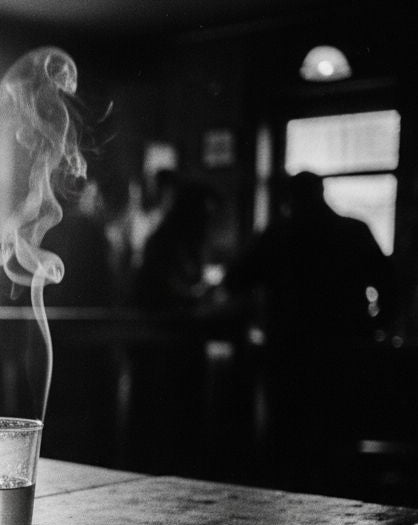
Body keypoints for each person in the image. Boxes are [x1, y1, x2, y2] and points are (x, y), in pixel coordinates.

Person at [231, 170, 398, 492]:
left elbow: (236, 279)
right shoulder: (353, 231)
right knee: (339, 439)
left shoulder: (278, 235)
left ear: (288, 199)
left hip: (289, 352)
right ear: (322, 193)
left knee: (289, 443)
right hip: (343, 350)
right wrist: (374, 326)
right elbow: (390, 284)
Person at [134, 179, 219, 309]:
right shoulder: (163, 244)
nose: (209, 224)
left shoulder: (185, 243)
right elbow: (171, 295)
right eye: (205, 215)